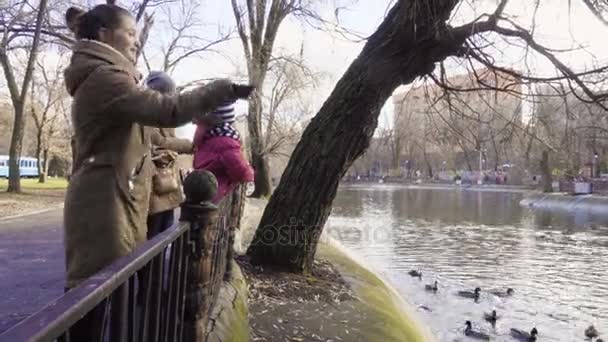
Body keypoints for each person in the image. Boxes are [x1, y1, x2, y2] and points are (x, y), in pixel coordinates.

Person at [63, 3, 250, 290]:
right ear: (103, 34)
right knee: (97, 294)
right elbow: (169, 110)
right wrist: (223, 91)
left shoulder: (110, 77)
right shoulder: (107, 79)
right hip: (105, 202)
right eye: (129, 33)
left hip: (116, 196)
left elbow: (151, 134)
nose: (136, 41)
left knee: (112, 290)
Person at [144, 71, 194, 238]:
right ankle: (150, 265)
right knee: (153, 237)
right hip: (155, 186)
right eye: (170, 95)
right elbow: (157, 145)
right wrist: (187, 146)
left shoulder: (166, 118)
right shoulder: (145, 117)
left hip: (168, 185)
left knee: (165, 231)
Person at [193, 100, 254, 203]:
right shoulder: (227, 142)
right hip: (218, 194)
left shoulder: (205, 138)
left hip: (203, 191)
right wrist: (250, 172)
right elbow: (240, 171)